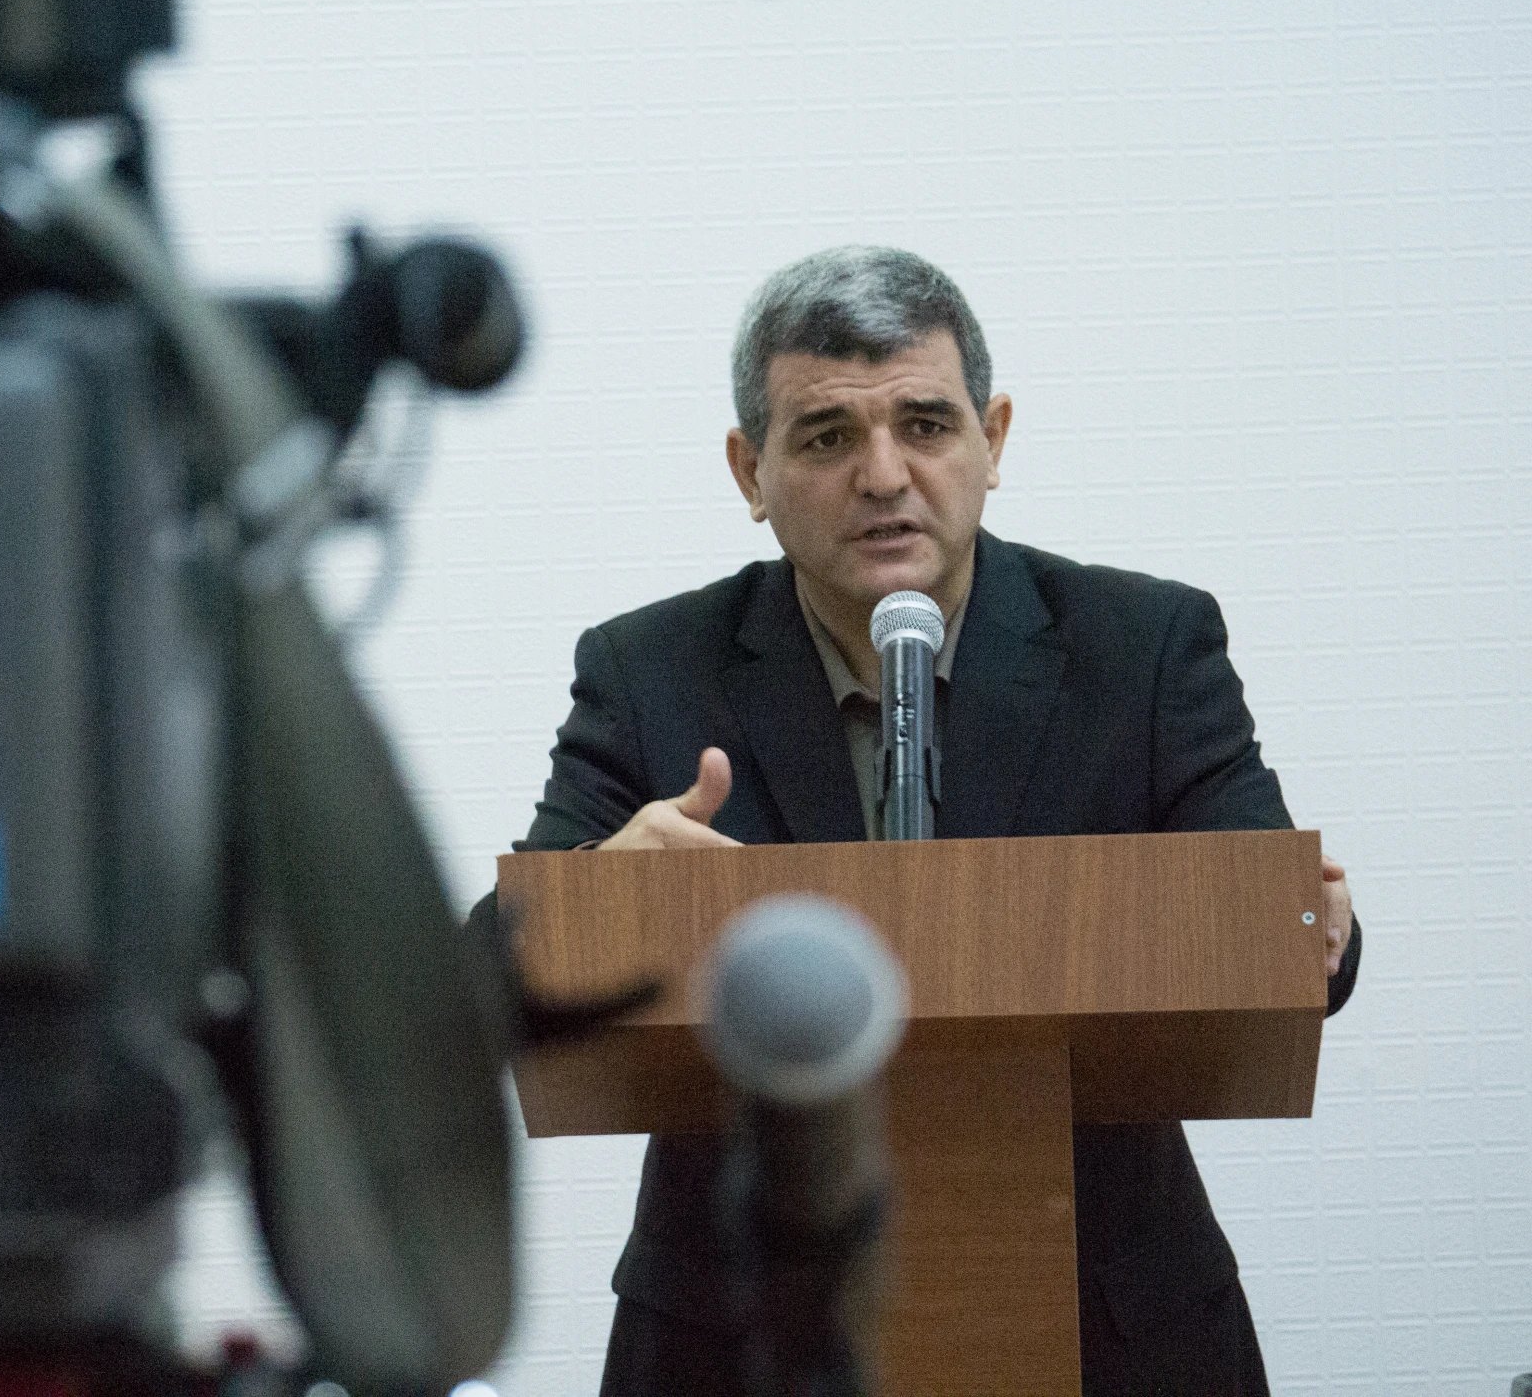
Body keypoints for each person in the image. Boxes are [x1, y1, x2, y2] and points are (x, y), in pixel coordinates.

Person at [520, 245, 1362, 1397]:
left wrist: (1318, 923)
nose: (882, 474)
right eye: (824, 437)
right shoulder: (647, 669)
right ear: (746, 468)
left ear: (992, 439)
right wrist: (602, 895)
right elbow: (499, 964)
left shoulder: (1142, 646)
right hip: (734, 1327)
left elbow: (1281, 925)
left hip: (1108, 1315)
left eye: (924, 424)